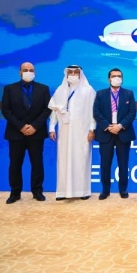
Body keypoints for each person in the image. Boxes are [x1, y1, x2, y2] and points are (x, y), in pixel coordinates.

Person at [1, 62, 51, 204]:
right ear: (19, 72)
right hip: (16, 133)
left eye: (31, 70)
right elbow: (6, 110)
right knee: (15, 164)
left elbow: (47, 110)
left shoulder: (43, 89)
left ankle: (37, 191)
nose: (28, 72)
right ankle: (15, 193)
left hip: (37, 133)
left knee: (37, 163)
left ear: (35, 72)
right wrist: (21, 126)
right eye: (25, 70)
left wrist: (34, 126)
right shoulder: (10, 89)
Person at [48, 65, 96, 200]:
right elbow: (54, 111)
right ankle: (62, 192)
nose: (73, 74)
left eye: (76, 72)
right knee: (63, 160)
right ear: (66, 74)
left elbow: (93, 112)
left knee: (82, 160)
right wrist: (52, 127)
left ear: (81, 74)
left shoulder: (89, 90)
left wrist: (92, 129)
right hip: (64, 132)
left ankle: (83, 191)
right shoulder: (59, 90)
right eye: (71, 72)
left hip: (82, 132)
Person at [93, 68, 136, 200]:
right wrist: (108, 126)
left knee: (123, 163)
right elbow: (96, 112)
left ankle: (123, 190)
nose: (117, 78)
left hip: (123, 133)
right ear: (109, 79)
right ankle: (105, 190)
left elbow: (132, 112)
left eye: (119, 76)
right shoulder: (100, 94)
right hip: (106, 133)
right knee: (105, 164)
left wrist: (120, 126)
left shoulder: (129, 94)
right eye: (114, 76)